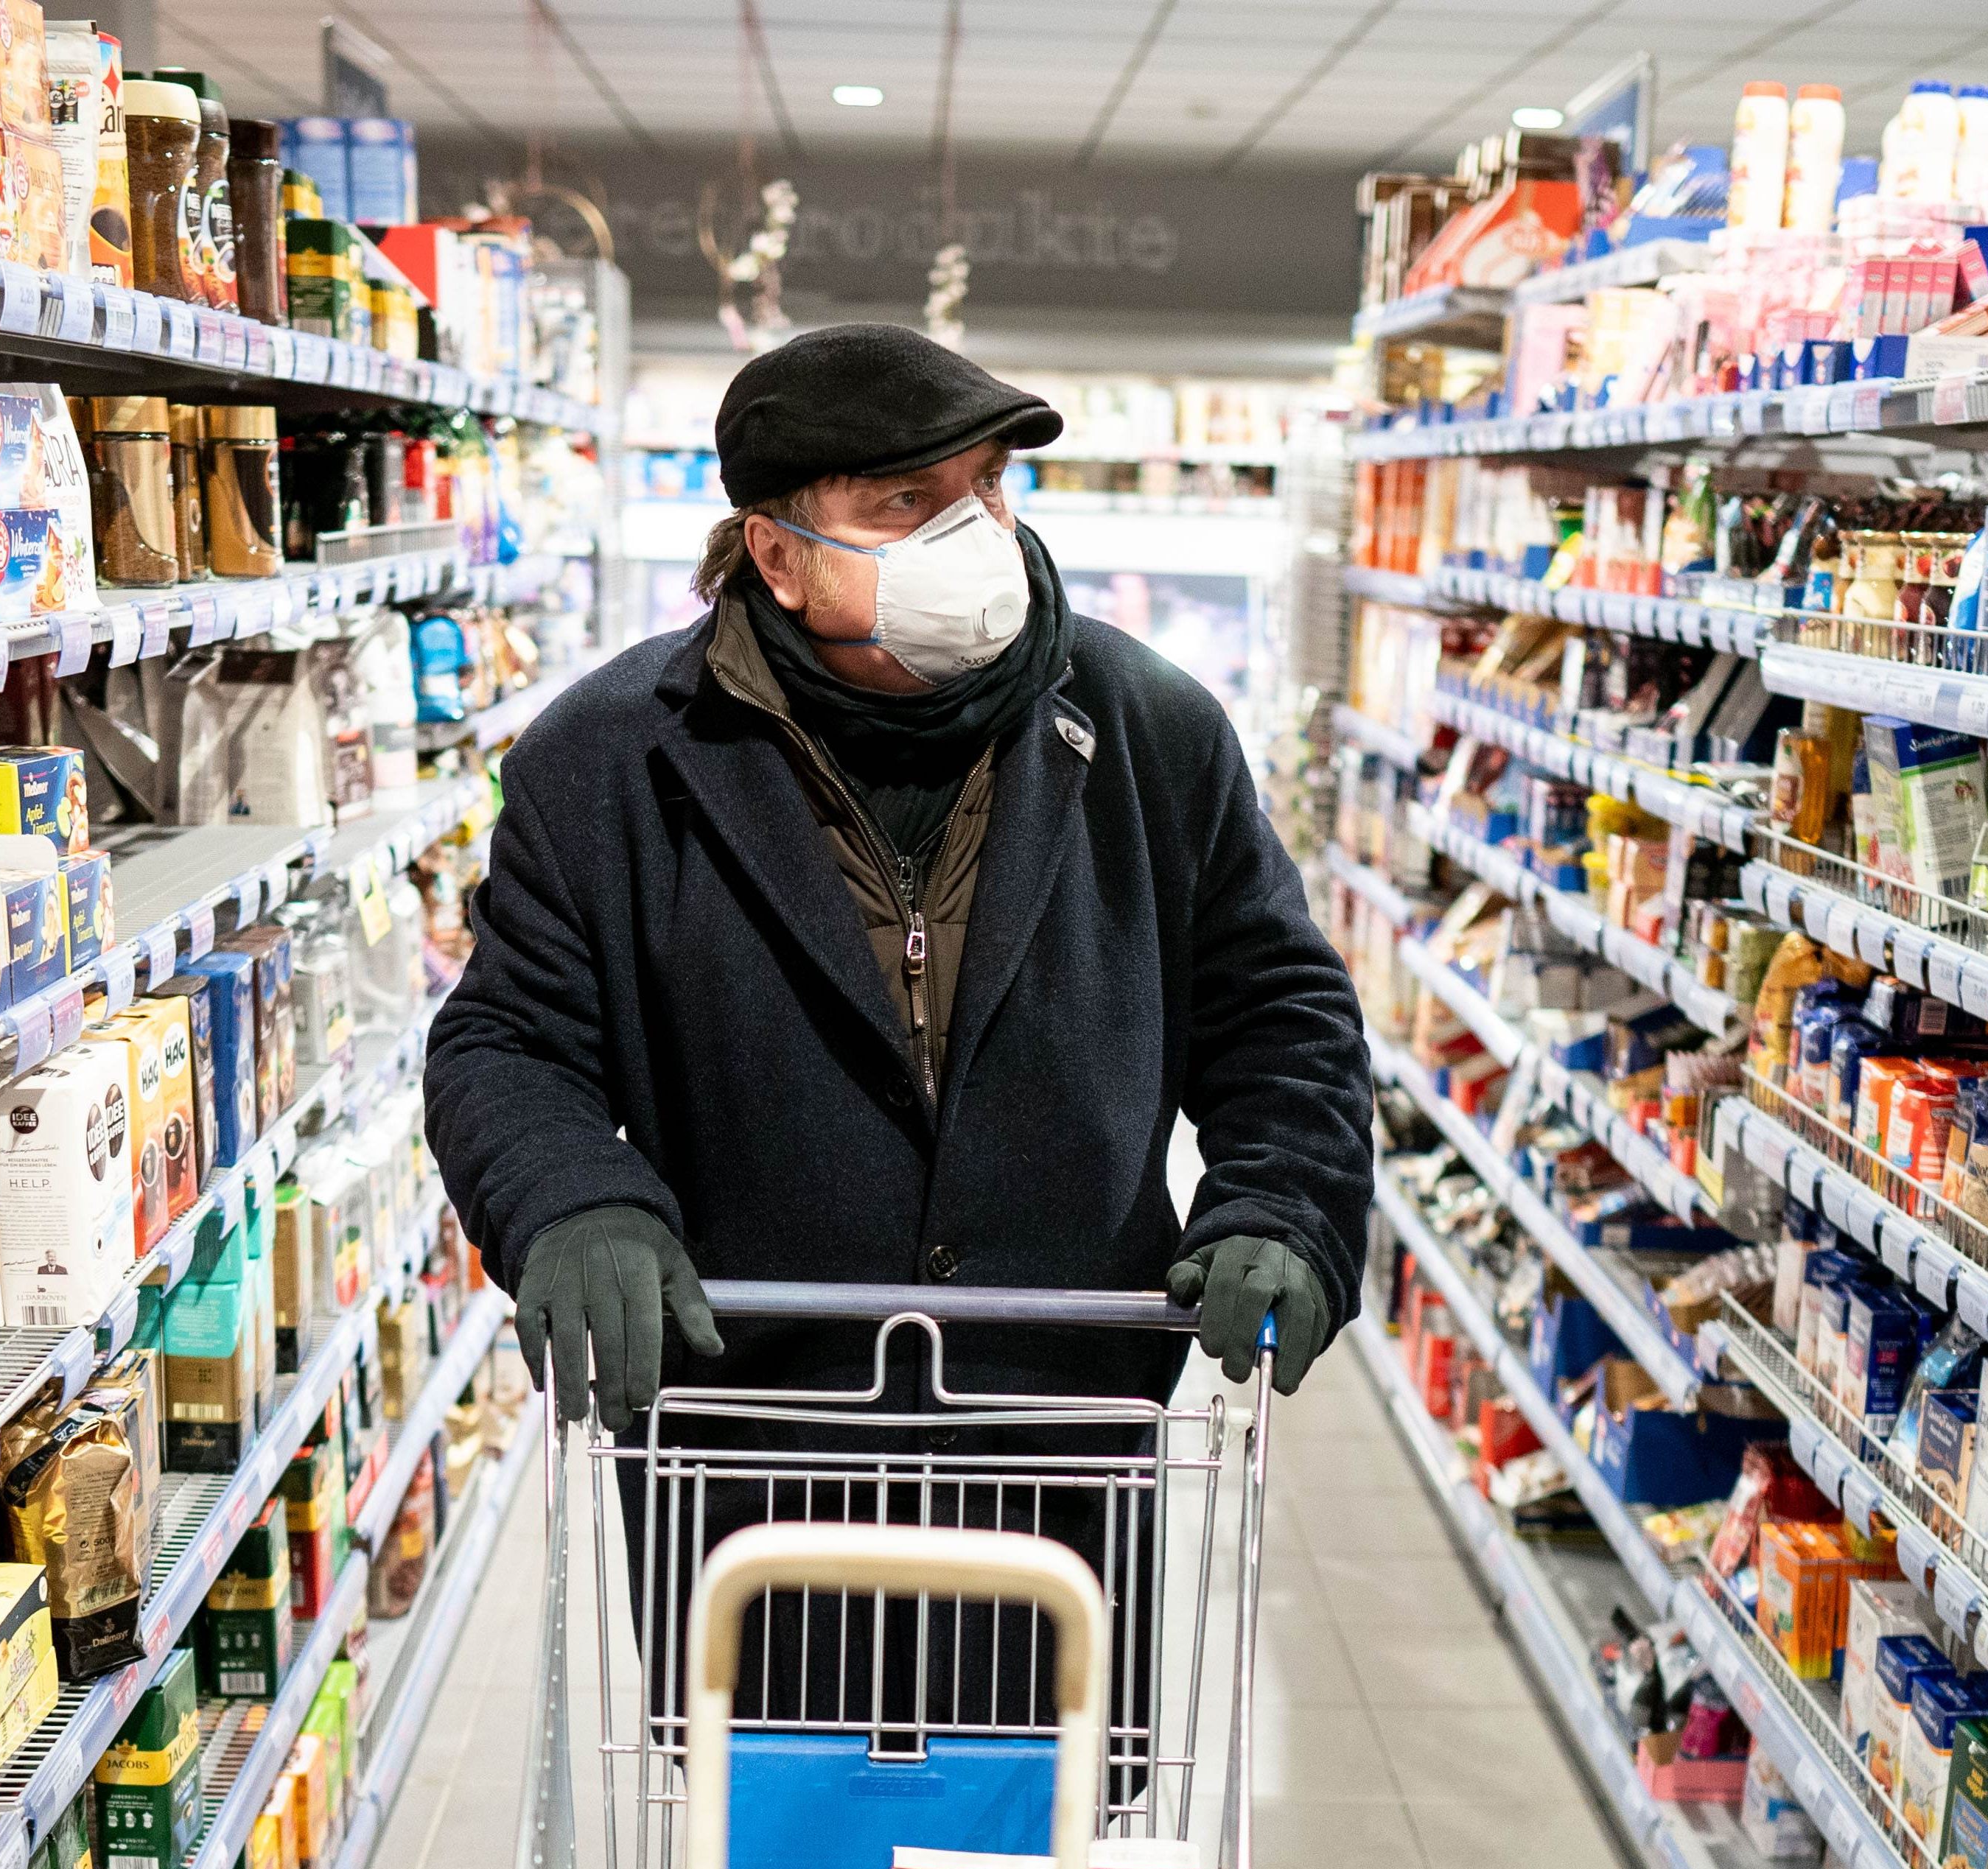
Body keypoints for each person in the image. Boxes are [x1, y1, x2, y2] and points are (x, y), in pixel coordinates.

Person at [424, 320, 1373, 1436]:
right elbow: (509, 1042)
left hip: (1061, 1430)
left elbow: (1278, 1011)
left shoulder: (1148, 733)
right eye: (906, 504)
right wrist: (572, 1197)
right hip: (750, 1435)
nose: (975, 534)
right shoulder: (606, 763)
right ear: (777, 557)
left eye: (986, 489)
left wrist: (1283, 1199)